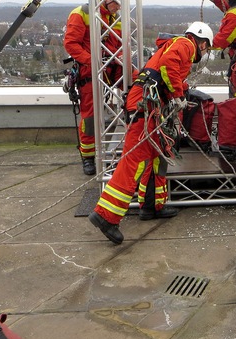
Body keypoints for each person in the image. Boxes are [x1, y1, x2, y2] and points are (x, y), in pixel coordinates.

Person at [88, 22, 213, 245]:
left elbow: (168, 72)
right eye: (206, 48)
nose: (204, 53)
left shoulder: (179, 45)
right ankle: (106, 215)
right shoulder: (185, 44)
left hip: (152, 107)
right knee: (134, 161)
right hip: (145, 107)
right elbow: (167, 65)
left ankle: (152, 205)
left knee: (156, 157)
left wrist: (180, 92)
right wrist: (176, 94)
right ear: (202, 42)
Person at [63, 0, 123, 175]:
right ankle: (88, 157)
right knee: (90, 116)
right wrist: (93, 61)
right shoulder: (82, 13)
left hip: (112, 69)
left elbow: (118, 44)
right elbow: (71, 44)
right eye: (115, 3)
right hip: (90, 71)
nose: (117, 8)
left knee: (133, 97)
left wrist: (117, 59)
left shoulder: (116, 17)